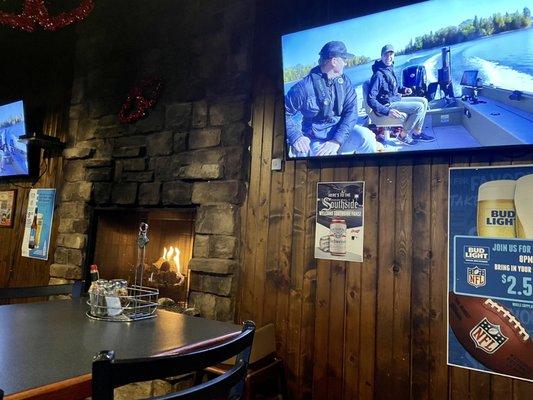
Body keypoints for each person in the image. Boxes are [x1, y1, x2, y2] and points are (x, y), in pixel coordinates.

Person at [285, 41, 379, 157]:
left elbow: (351, 112)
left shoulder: (345, 82)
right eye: (344, 59)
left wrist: (337, 140)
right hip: (316, 138)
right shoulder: (303, 88)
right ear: (334, 61)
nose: (345, 63)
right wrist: (296, 136)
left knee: (367, 137)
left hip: (340, 132)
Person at [367, 44, 434, 145]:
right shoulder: (378, 75)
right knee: (419, 107)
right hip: (386, 104)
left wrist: (403, 90)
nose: (388, 57)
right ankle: (403, 136)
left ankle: (417, 133)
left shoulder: (388, 69)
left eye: (391, 54)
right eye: (386, 55)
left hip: (393, 99)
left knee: (424, 101)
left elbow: (392, 88)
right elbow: (370, 99)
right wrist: (387, 111)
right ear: (381, 57)